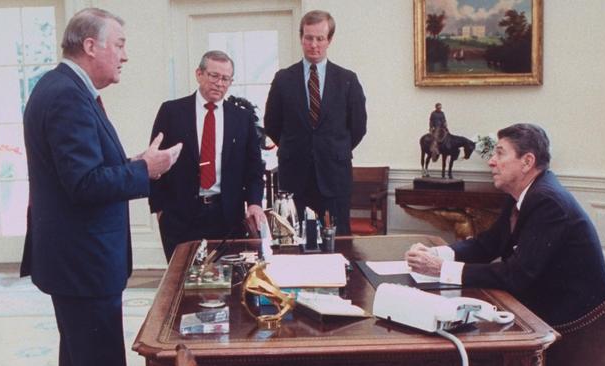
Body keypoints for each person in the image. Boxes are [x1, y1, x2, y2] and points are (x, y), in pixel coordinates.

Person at [20, 8, 181, 366]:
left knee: (81, 356)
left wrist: (132, 164)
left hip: (79, 262)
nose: (125, 55)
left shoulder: (61, 87)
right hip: (84, 263)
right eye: (120, 45)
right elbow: (83, 184)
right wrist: (145, 170)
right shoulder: (67, 96)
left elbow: (84, 170)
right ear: (91, 46)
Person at [405, 123, 605, 325]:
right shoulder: (524, 193)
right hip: (541, 305)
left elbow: (516, 275)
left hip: (574, 324)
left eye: (500, 153)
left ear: (527, 162)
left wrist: (442, 269)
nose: (491, 161)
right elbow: (487, 244)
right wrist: (437, 255)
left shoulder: (548, 202)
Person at [149, 50, 266, 262]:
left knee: (228, 281)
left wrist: (255, 203)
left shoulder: (242, 118)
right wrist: (160, 211)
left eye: (225, 78)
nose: (219, 83)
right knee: (182, 282)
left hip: (227, 216)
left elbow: (254, 168)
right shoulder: (172, 112)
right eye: (214, 76)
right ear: (199, 74)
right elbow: (154, 163)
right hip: (180, 217)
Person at [264, 10, 367, 235]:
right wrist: (295, 147)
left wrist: (333, 149)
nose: (314, 44)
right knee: (292, 242)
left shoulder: (347, 80)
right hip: (294, 176)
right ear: (301, 38)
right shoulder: (283, 79)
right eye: (308, 38)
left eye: (320, 38)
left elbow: (358, 127)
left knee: (337, 243)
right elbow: (271, 123)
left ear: (329, 40)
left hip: (334, 176)